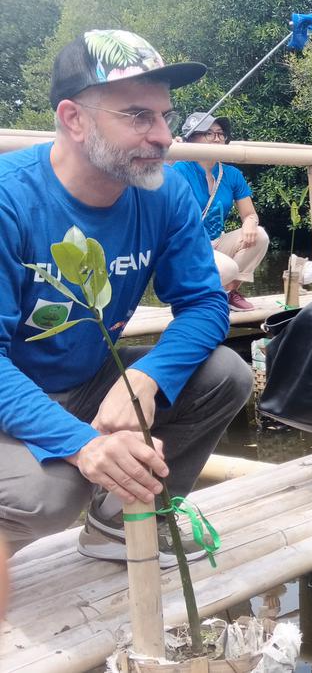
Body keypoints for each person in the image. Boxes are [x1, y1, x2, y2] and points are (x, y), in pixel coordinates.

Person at [0, 30, 251, 563]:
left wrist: (146, 377)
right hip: (11, 393)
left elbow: (205, 304)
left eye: (164, 115)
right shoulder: (9, 200)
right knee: (49, 497)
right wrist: (83, 445)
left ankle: (115, 524)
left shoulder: (164, 192)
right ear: (74, 119)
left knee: (226, 375)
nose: (163, 137)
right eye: (138, 116)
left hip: (85, 377)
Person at [172, 113, 269, 311]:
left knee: (260, 236)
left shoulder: (231, 174)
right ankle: (207, 297)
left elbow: (250, 214)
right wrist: (169, 156)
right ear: (191, 139)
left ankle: (227, 293)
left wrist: (250, 223)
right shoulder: (178, 169)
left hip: (216, 243)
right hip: (188, 246)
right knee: (228, 268)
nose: (217, 138)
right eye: (209, 133)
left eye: (220, 134)